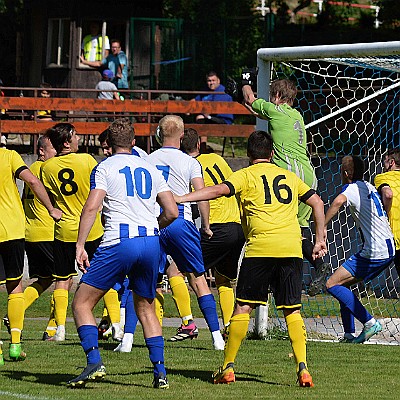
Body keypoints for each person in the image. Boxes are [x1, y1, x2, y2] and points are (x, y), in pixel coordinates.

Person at [174, 130, 327, 387]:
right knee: (292, 310)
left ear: (248, 154)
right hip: (291, 248)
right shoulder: (289, 177)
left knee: (243, 307)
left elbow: (216, 191)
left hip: (260, 248)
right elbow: (318, 203)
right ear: (272, 154)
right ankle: (303, 368)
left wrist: (182, 197)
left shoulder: (244, 175)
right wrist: (320, 237)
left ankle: (228, 367)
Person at [67, 119, 178, 388]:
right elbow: (172, 211)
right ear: (133, 141)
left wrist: (80, 245)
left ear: (108, 145)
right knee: (146, 307)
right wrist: (155, 226)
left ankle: (94, 361)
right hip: (151, 242)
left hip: (119, 241)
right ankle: (160, 372)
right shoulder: (150, 167)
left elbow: (92, 207)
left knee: (82, 303)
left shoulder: (103, 168)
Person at [242, 77, 330, 296]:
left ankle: (289, 278)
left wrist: (245, 81)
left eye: (272, 95)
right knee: (297, 230)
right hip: (309, 174)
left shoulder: (275, 109)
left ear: (278, 97)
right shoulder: (297, 115)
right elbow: (257, 111)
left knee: (285, 229)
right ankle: (315, 264)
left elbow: (250, 99)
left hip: (290, 175)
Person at [146, 115, 225, 350]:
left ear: (159, 135)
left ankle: (129, 338)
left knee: (146, 281)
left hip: (155, 220)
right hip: (181, 219)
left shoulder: (147, 160)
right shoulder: (190, 162)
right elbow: (202, 195)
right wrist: (206, 226)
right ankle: (216, 337)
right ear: (182, 137)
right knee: (198, 279)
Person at [0, 132, 61, 363]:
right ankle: (15, 345)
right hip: (14, 229)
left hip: (17, 230)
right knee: (15, 286)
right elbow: (32, 181)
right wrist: (51, 209)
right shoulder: (10, 156)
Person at [40, 123, 104, 342]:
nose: (79, 138)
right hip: (92, 228)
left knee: (62, 279)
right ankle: (116, 324)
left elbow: (51, 194)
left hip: (64, 230)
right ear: (66, 142)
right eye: (75, 135)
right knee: (105, 276)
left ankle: (60, 329)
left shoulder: (47, 168)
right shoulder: (87, 160)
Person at [180, 128, 245, 335]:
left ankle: (188, 322)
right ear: (199, 144)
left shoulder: (188, 166)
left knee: (182, 270)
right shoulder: (217, 159)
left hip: (214, 228)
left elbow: (197, 197)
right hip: (236, 226)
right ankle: (229, 326)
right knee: (224, 279)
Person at [325, 155, 394, 343]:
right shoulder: (370, 187)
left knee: (332, 284)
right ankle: (348, 334)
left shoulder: (352, 188)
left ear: (346, 173)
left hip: (376, 251)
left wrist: (322, 225)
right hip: (389, 247)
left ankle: (369, 322)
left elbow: (338, 202)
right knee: (343, 283)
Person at [22, 136, 58, 340]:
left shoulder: (30, 169)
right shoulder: (48, 170)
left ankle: (14, 312)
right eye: (53, 148)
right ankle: (53, 327)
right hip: (47, 231)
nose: (57, 151)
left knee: (45, 279)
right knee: (64, 278)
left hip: (31, 232)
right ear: (42, 151)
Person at [374, 149, 400, 277]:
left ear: (391, 162)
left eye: (384, 161)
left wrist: (386, 212)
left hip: (395, 236)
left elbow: (388, 194)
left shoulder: (382, 177)